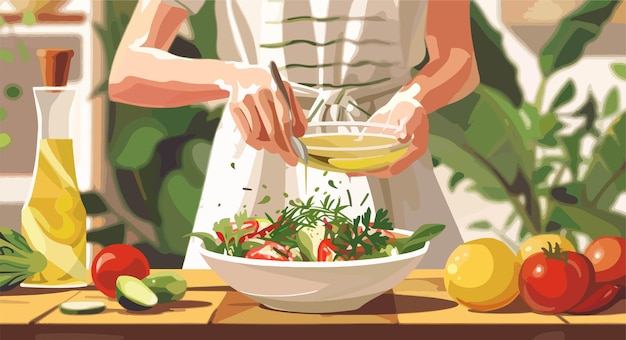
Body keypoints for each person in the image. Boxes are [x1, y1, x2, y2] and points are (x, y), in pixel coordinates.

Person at [109, 0, 480, 268]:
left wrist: (415, 99)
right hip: (263, 149)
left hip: (380, 145)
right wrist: (235, 77)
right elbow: (130, 68)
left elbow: (457, 56)